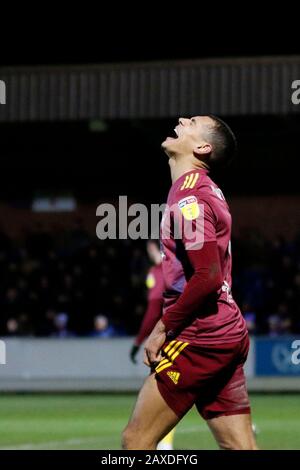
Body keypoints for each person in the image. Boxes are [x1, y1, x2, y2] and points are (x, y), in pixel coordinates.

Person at [122, 115, 258, 450]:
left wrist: (161, 329)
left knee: (135, 443)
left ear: (202, 147)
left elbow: (207, 277)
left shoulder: (190, 197)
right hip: (226, 332)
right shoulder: (205, 190)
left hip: (202, 336)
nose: (182, 119)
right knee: (241, 448)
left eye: (192, 121)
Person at [130, 240, 175, 450]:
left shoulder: (160, 271)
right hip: (198, 331)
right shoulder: (177, 267)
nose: (149, 251)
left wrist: (140, 341)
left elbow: (154, 309)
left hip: (171, 339)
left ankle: (162, 444)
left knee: (162, 389)